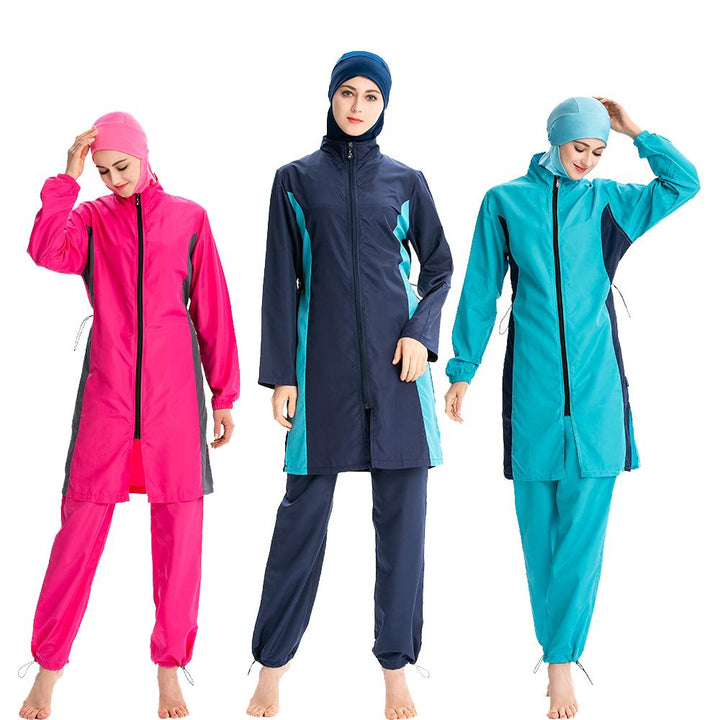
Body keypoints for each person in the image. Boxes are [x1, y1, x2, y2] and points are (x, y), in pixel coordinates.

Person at [444, 96, 699, 719]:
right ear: (554, 139)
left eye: (598, 150)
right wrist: (462, 370)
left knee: (582, 542)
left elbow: (684, 183)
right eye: (579, 146)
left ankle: (560, 663)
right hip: (531, 394)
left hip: (596, 397)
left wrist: (636, 132)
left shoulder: (611, 202)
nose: (587, 160)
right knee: (539, 538)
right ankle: (557, 651)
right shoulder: (505, 202)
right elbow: (480, 287)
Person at [247, 51, 453, 720]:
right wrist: (281, 374)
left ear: (384, 105)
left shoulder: (407, 181)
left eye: (371, 96)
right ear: (331, 97)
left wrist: (422, 334)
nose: (358, 106)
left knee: (404, 532)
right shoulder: (294, 180)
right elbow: (281, 282)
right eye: (348, 93)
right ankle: (272, 666)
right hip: (322, 374)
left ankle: (396, 671)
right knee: (300, 520)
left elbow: (439, 268)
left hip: (400, 376)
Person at [19, 112, 240, 720]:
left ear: (143, 155)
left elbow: (213, 308)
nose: (114, 179)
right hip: (108, 399)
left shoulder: (189, 219)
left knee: (180, 540)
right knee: (77, 535)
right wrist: (67, 181)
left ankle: (170, 671)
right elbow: (45, 250)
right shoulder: (90, 219)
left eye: (122, 166)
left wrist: (224, 395)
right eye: (103, 171)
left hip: (175, 404)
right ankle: (47, 670)